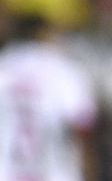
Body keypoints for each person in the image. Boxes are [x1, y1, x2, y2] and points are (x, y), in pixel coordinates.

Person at [0, 14, 97, 181]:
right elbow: (82, 125)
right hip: (52, 173)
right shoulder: (63, 68)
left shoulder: (4, 62)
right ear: (41, 33)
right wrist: (89, 168)